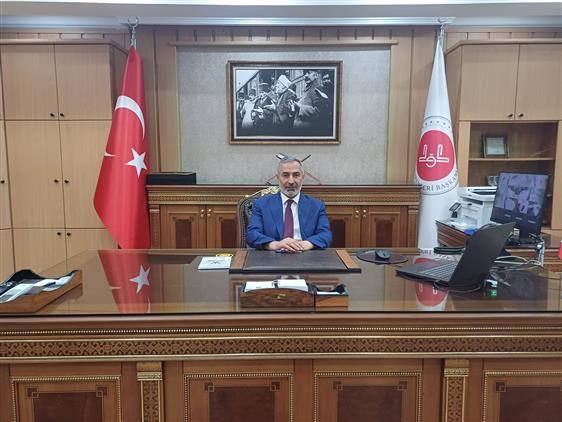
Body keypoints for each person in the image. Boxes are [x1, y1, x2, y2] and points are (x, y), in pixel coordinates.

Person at [246, 157, 332, 251]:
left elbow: (325, 235)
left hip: (306, 254)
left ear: (303, 177)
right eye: (285, 175)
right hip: (273, 255)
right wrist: (276, 245)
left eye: (296, 175)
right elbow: (252, 235)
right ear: (278, 177)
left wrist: (307, 244)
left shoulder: (316, 206)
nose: (291, 181)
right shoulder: (261, 204)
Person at [292, 70, 330, 135]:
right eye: (304, 73)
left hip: (308, 132)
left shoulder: (317, 89)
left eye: (309, 73)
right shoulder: (307, 89)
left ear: (316, 75)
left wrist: (301, 107)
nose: (306, 75)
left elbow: (319, 113)